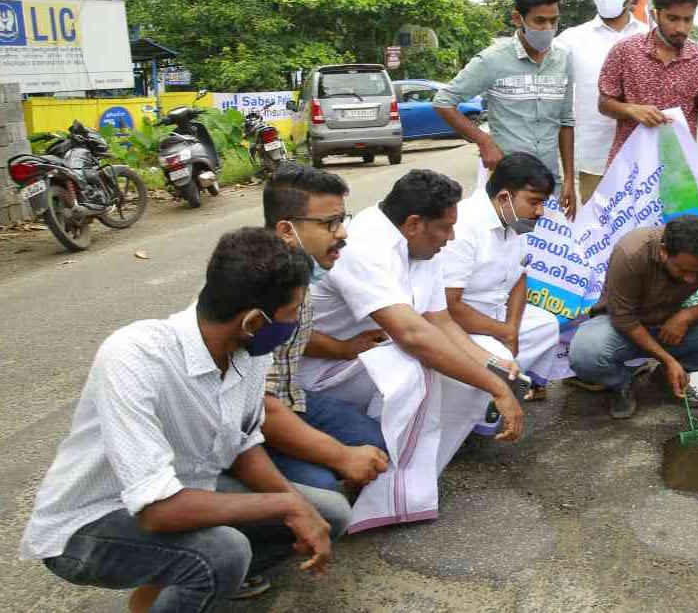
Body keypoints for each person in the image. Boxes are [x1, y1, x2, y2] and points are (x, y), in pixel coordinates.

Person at [20, 228, 350, 611]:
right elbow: (158, 511)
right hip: (89, 523)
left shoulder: (249, 353)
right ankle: (193, 576)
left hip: (188, 490)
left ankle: (165, 591)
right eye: (291, 314)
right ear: (252, 322)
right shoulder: (135, 356)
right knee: (223, 553)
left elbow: (242, 445)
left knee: (329, 514)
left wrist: (295, 504)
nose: (295, 324)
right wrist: (286, 507)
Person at [296, 169, 526, 531]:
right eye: (446, 228)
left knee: (489, 354)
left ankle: (415, 476)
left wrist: (492, 364)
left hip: (367, 360)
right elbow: (412, 335)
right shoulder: (365, 244)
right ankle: (382, 492)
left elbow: (440, 322)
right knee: (418, 365)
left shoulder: (423, 247)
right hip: (321, 374)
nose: (451, 238)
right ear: (414, 224)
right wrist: (495, 387)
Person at [260, 163, 391, 493]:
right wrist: (340, 456)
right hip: (251, 419)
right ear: (286, 230)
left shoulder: (300, 274)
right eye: (329, 223)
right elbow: (257, 408)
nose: (343, 233)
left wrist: (342, 349)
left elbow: (293, 335)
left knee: (376, 444)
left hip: (290, 398)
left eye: (342, 220)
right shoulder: (258, 288)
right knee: (324, 489)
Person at [567, 215, 698, 419]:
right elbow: (623, 318)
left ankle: (664, 380)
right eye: (683, 270)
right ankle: (622, 383)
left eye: (696, 271)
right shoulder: (631, 252)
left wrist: (687, 316)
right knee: (585, 354)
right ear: (664, 252)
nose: (690, 278)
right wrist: (667, 359)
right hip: (621, 330)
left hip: (670, 327)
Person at [435, 0, 577, 219]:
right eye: (539, 21)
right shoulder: (492, 60)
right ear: (517, 19)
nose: (548, 28)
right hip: (508, 187)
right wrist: (484, 141)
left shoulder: (563, 59)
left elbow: (566, 121)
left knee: (552, 242)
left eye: (554, 21)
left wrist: (570, 180)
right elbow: (443, 102)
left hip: (549, 184)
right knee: (511, 239)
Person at [437, 152, 562, 402]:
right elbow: (449, 306)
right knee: (499, 357)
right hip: (459, 326)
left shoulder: (514, 218)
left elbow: (520, 278)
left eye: (542, 203)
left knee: (546, 326)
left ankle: (504, 390)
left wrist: (511, 329)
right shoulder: (464, 225)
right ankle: (484, 405)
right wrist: (503, 332)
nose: (540, 212)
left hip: (496, 317)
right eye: (534, 202)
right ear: (504, 197)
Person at [598, 0, 698, 205]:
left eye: (688, 19)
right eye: (673, 18)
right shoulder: (625, 52)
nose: (681, 28)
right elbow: (604, 103)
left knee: (676, 230)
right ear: (656, 14)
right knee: (619, 229)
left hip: (678, 177)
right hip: (627, 172)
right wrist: (630, 109)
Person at [554, 0, 646, 203]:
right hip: (593, 159)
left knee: (643, 223)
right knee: (594, 223)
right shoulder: (570, 40)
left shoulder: (650, 36)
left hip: (644, 155)